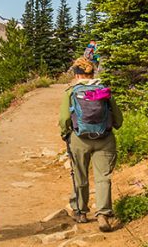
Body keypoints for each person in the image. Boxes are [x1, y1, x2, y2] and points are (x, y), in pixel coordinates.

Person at [60, 57, 122, 232]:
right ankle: (103, 214)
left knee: (80, 176)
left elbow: (64, 118)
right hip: (105, 139)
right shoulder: (103, 90)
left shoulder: (71, 92)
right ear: (92, 72)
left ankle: (80, 212)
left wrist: (65, 133)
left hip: (79, 140)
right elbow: (118, 118)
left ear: (77, 75)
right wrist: (114, 125)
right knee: (103, 178)